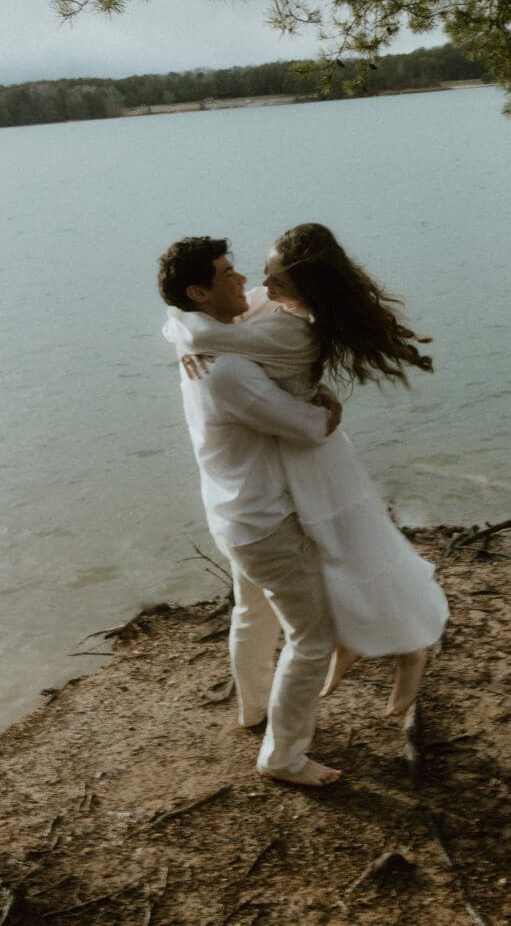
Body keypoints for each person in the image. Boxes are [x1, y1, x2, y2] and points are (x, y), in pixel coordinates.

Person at [164, 223, 449, 717]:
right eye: (256, 273)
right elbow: (194, 325)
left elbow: (202, 331)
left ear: (304, 289)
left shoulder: (290, 330)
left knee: (358, 554)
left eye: (275, 279)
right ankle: (343, 647)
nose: (259, 285)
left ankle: (412, 649)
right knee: (311, 574)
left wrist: (183, 340)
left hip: (315, 459)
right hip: (287, 465)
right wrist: (181, 337)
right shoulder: (276, 309)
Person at [158, 236, 343, 788]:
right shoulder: (230, 369)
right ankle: (282, 756)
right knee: (315, 636)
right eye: (228, 274)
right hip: (264, 523)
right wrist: (329, 404)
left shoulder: (207, 340)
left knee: (252, 612)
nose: (245, 282)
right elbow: (310, 430)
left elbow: (175, 321)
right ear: (199, 292)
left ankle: (253, 711)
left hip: (230, 513)